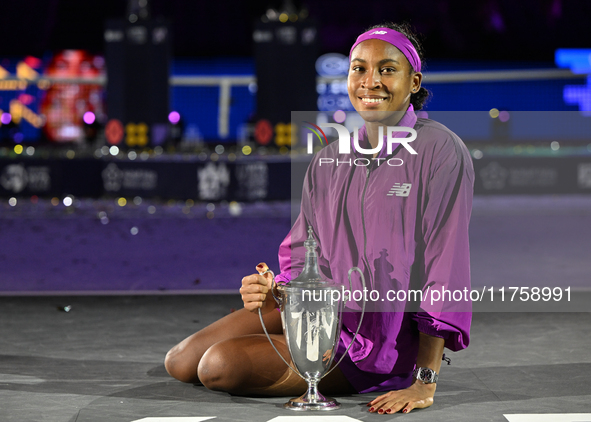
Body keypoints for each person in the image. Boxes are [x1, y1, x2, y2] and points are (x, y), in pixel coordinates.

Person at [164, 22, 474, 415]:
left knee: (219, 365)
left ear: (414, 82)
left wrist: (423, 380)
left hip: (377, 344)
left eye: (387, 69)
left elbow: (446, 268)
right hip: (320, 311)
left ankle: (382, 371)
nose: (370, 81)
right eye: (359, 68)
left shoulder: (440, 150)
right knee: (180, 361)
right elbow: (302, 253)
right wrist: (274, 291)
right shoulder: (330, 158)